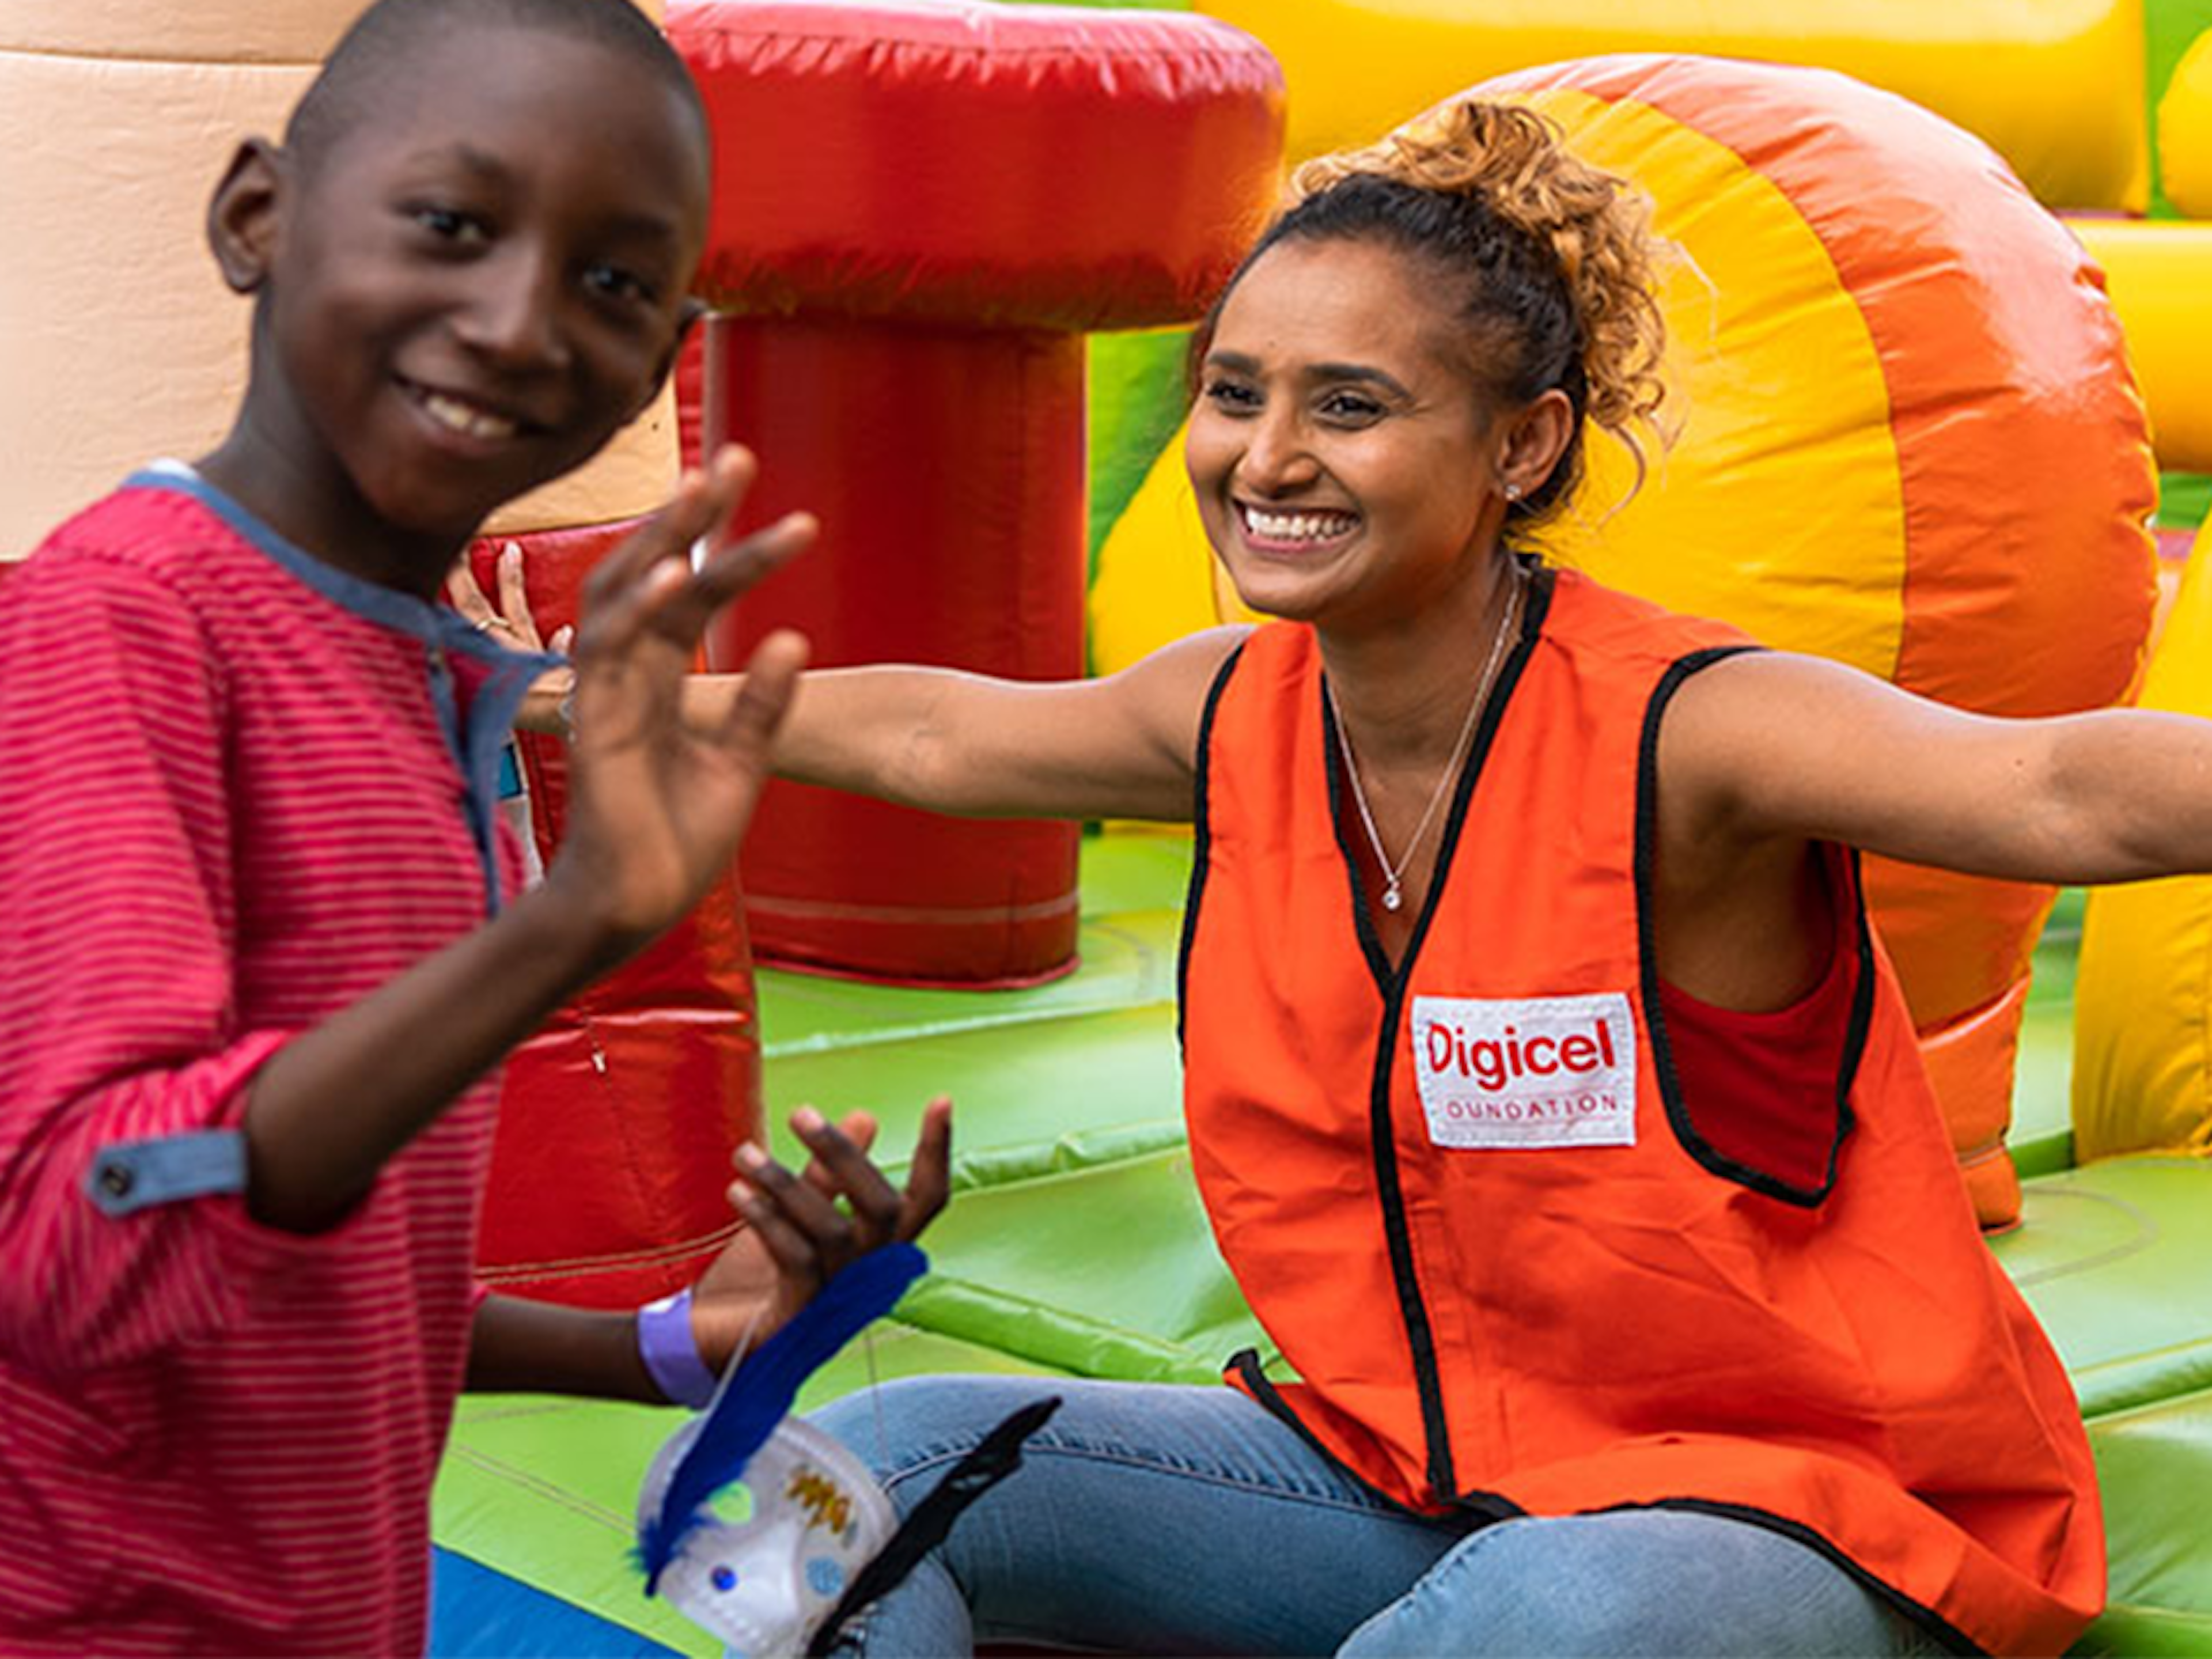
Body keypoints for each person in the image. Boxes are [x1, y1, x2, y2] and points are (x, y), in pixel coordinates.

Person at [497, 97, 2161, 1655]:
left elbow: (2061, 789)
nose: (1265, 458)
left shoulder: (1690, 735)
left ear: (1525, 447)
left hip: (1792, 1518)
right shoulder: (1233, 710)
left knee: (1550, 1607)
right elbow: (939, 736)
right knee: (858, 1470)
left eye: (1348, 407)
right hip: (1402, 1477)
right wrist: (582, 695)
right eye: (1236, 393)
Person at [0, 1, 948, 1652]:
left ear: (666, 360)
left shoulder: (411, 678)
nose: (520, 322)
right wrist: (561, 932)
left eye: (612, 282)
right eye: (451, 225)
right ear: (256, 220)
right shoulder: (118, 630)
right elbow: (82, 1237)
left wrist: (667, 1342)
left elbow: (307, 1267)